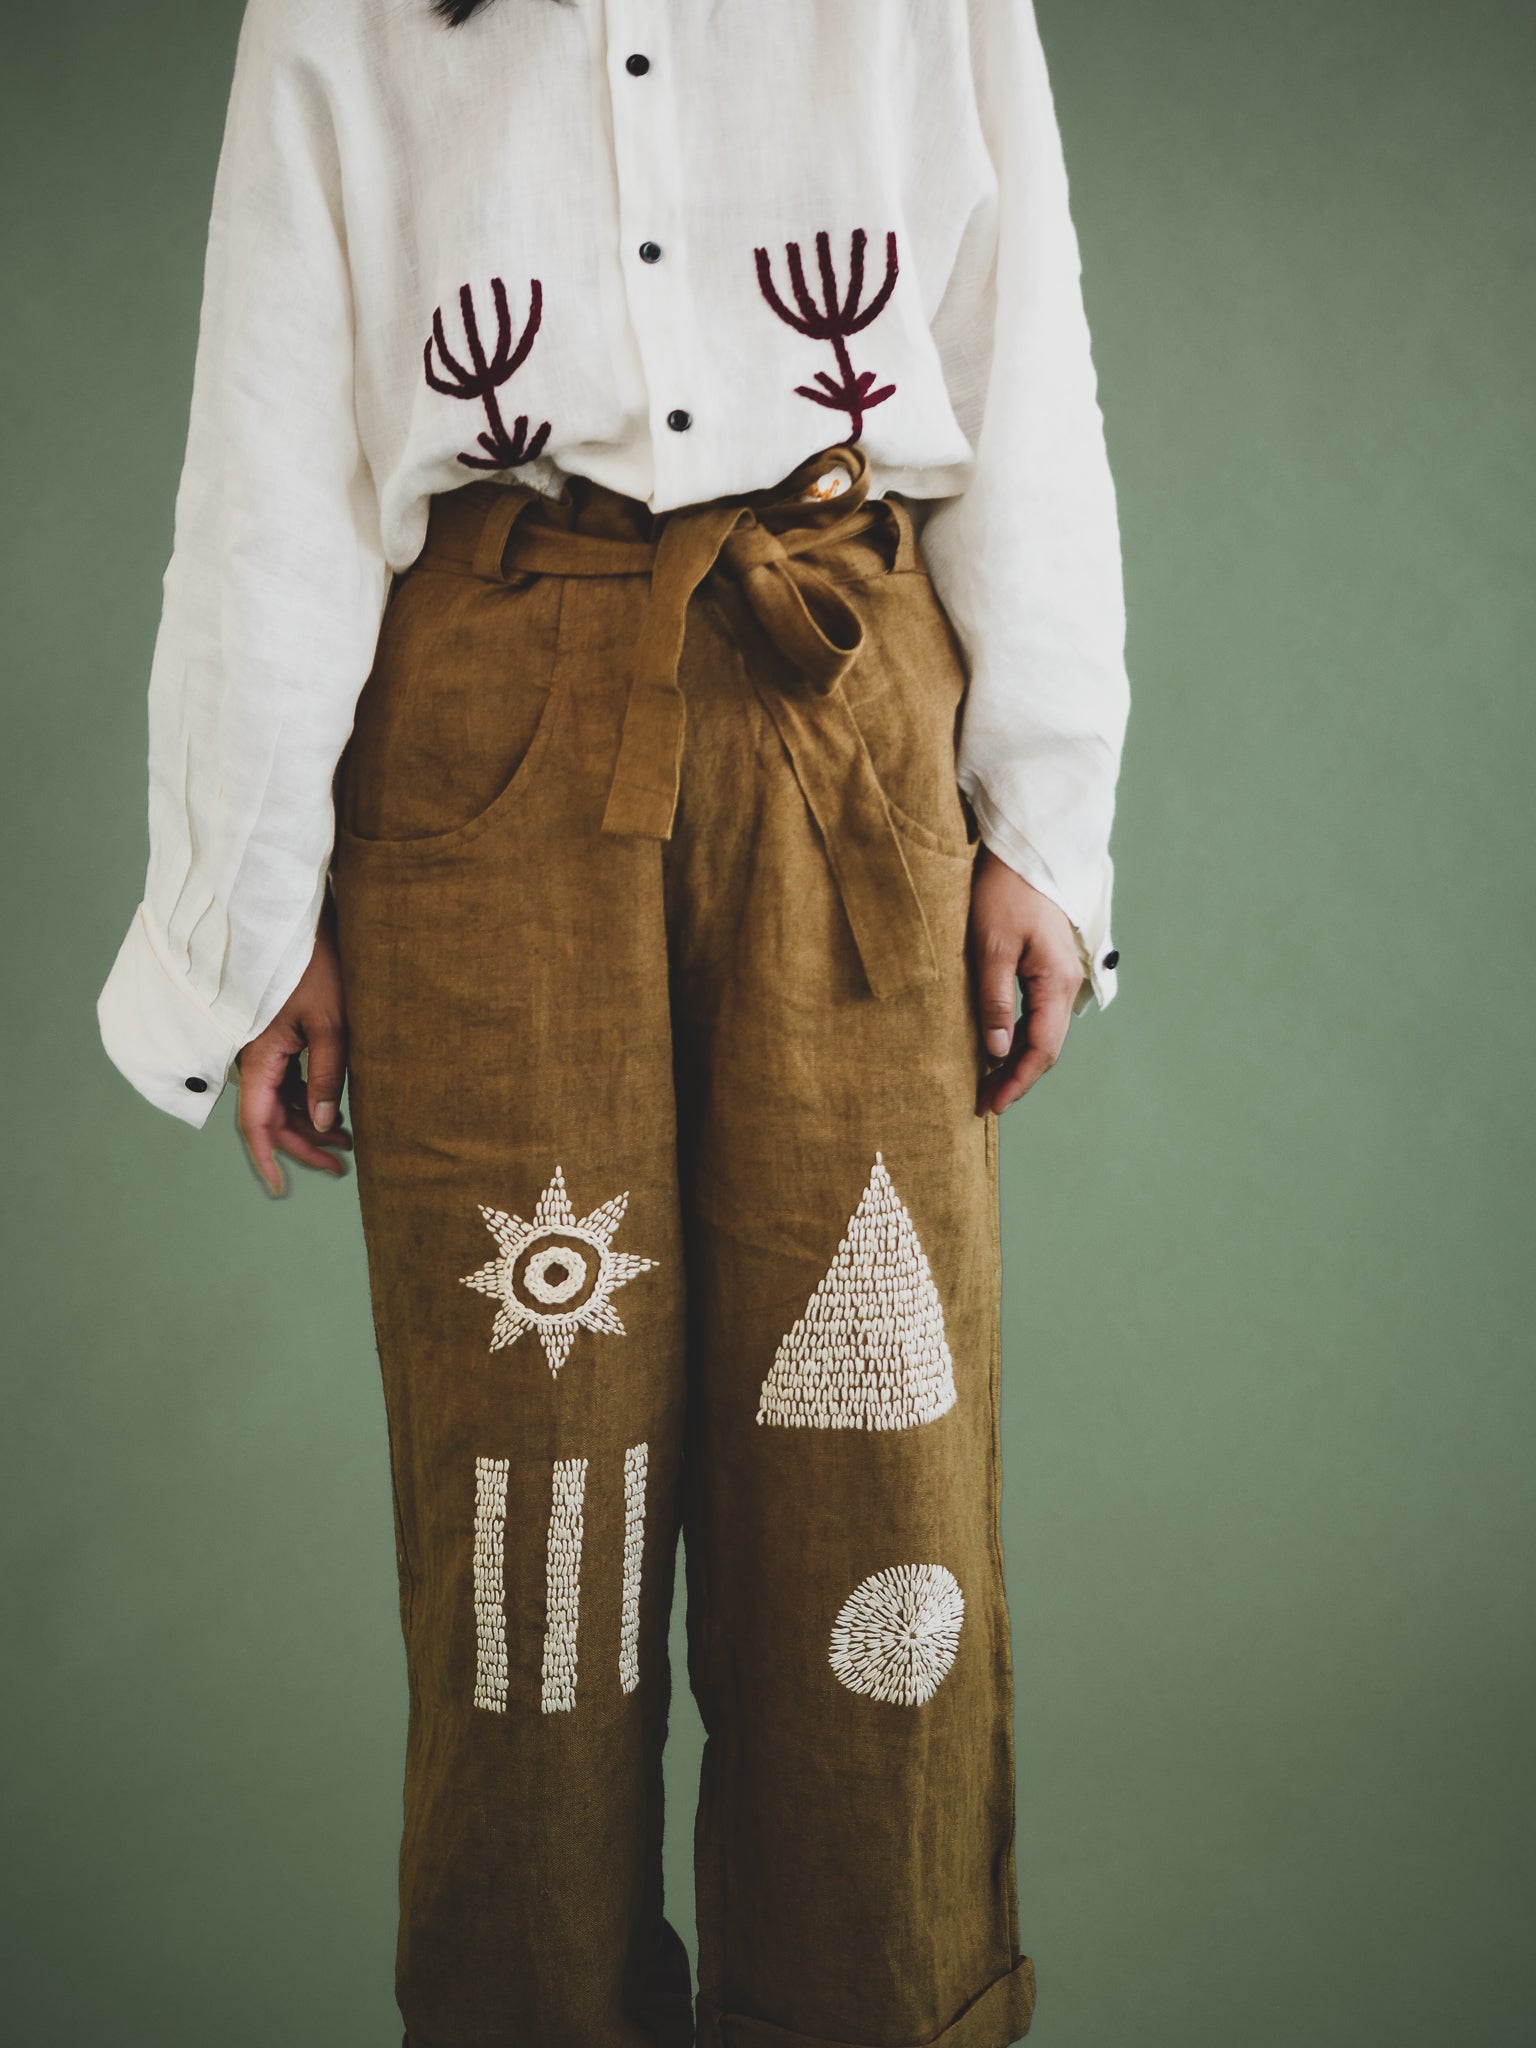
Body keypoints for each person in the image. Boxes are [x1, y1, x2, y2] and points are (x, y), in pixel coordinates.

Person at [96, 1, 1130, 2042]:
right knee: (526, 1498)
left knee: (873, 1461)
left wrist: (1048, 820)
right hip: (485, 720)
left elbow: (1022, 346)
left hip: (838, 691)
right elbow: (275, 437)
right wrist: (250, 905)